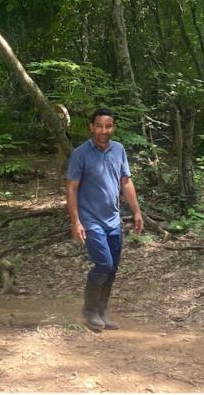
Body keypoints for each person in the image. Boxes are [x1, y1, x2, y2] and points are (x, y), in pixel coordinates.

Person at [66, 107, 144, 330]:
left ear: (113, 128)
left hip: (113, 221)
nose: (103, 130)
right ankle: (89, 310)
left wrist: (136, 211)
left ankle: (101, 312)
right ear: (91, 127)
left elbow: (126, 182)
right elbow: (71, 188)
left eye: (108, 126)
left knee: (113, 268)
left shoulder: (119, 150)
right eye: (99, 126)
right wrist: (75, 221)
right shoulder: (80, 154)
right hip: (90, 220)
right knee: (104, 264)